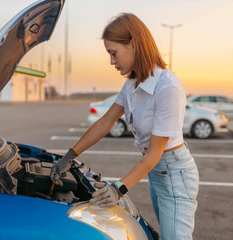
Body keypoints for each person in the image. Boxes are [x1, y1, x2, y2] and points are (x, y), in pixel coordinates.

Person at [50, 13, 199, 240]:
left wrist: (117, 189)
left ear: (133, 43)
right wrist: (70, 155)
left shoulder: (167, 86)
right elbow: (104, 122)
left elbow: (153, 154)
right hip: (159, 173)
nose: (112, 61)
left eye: (113, 53)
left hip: (175, 175)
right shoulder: (132, 83)